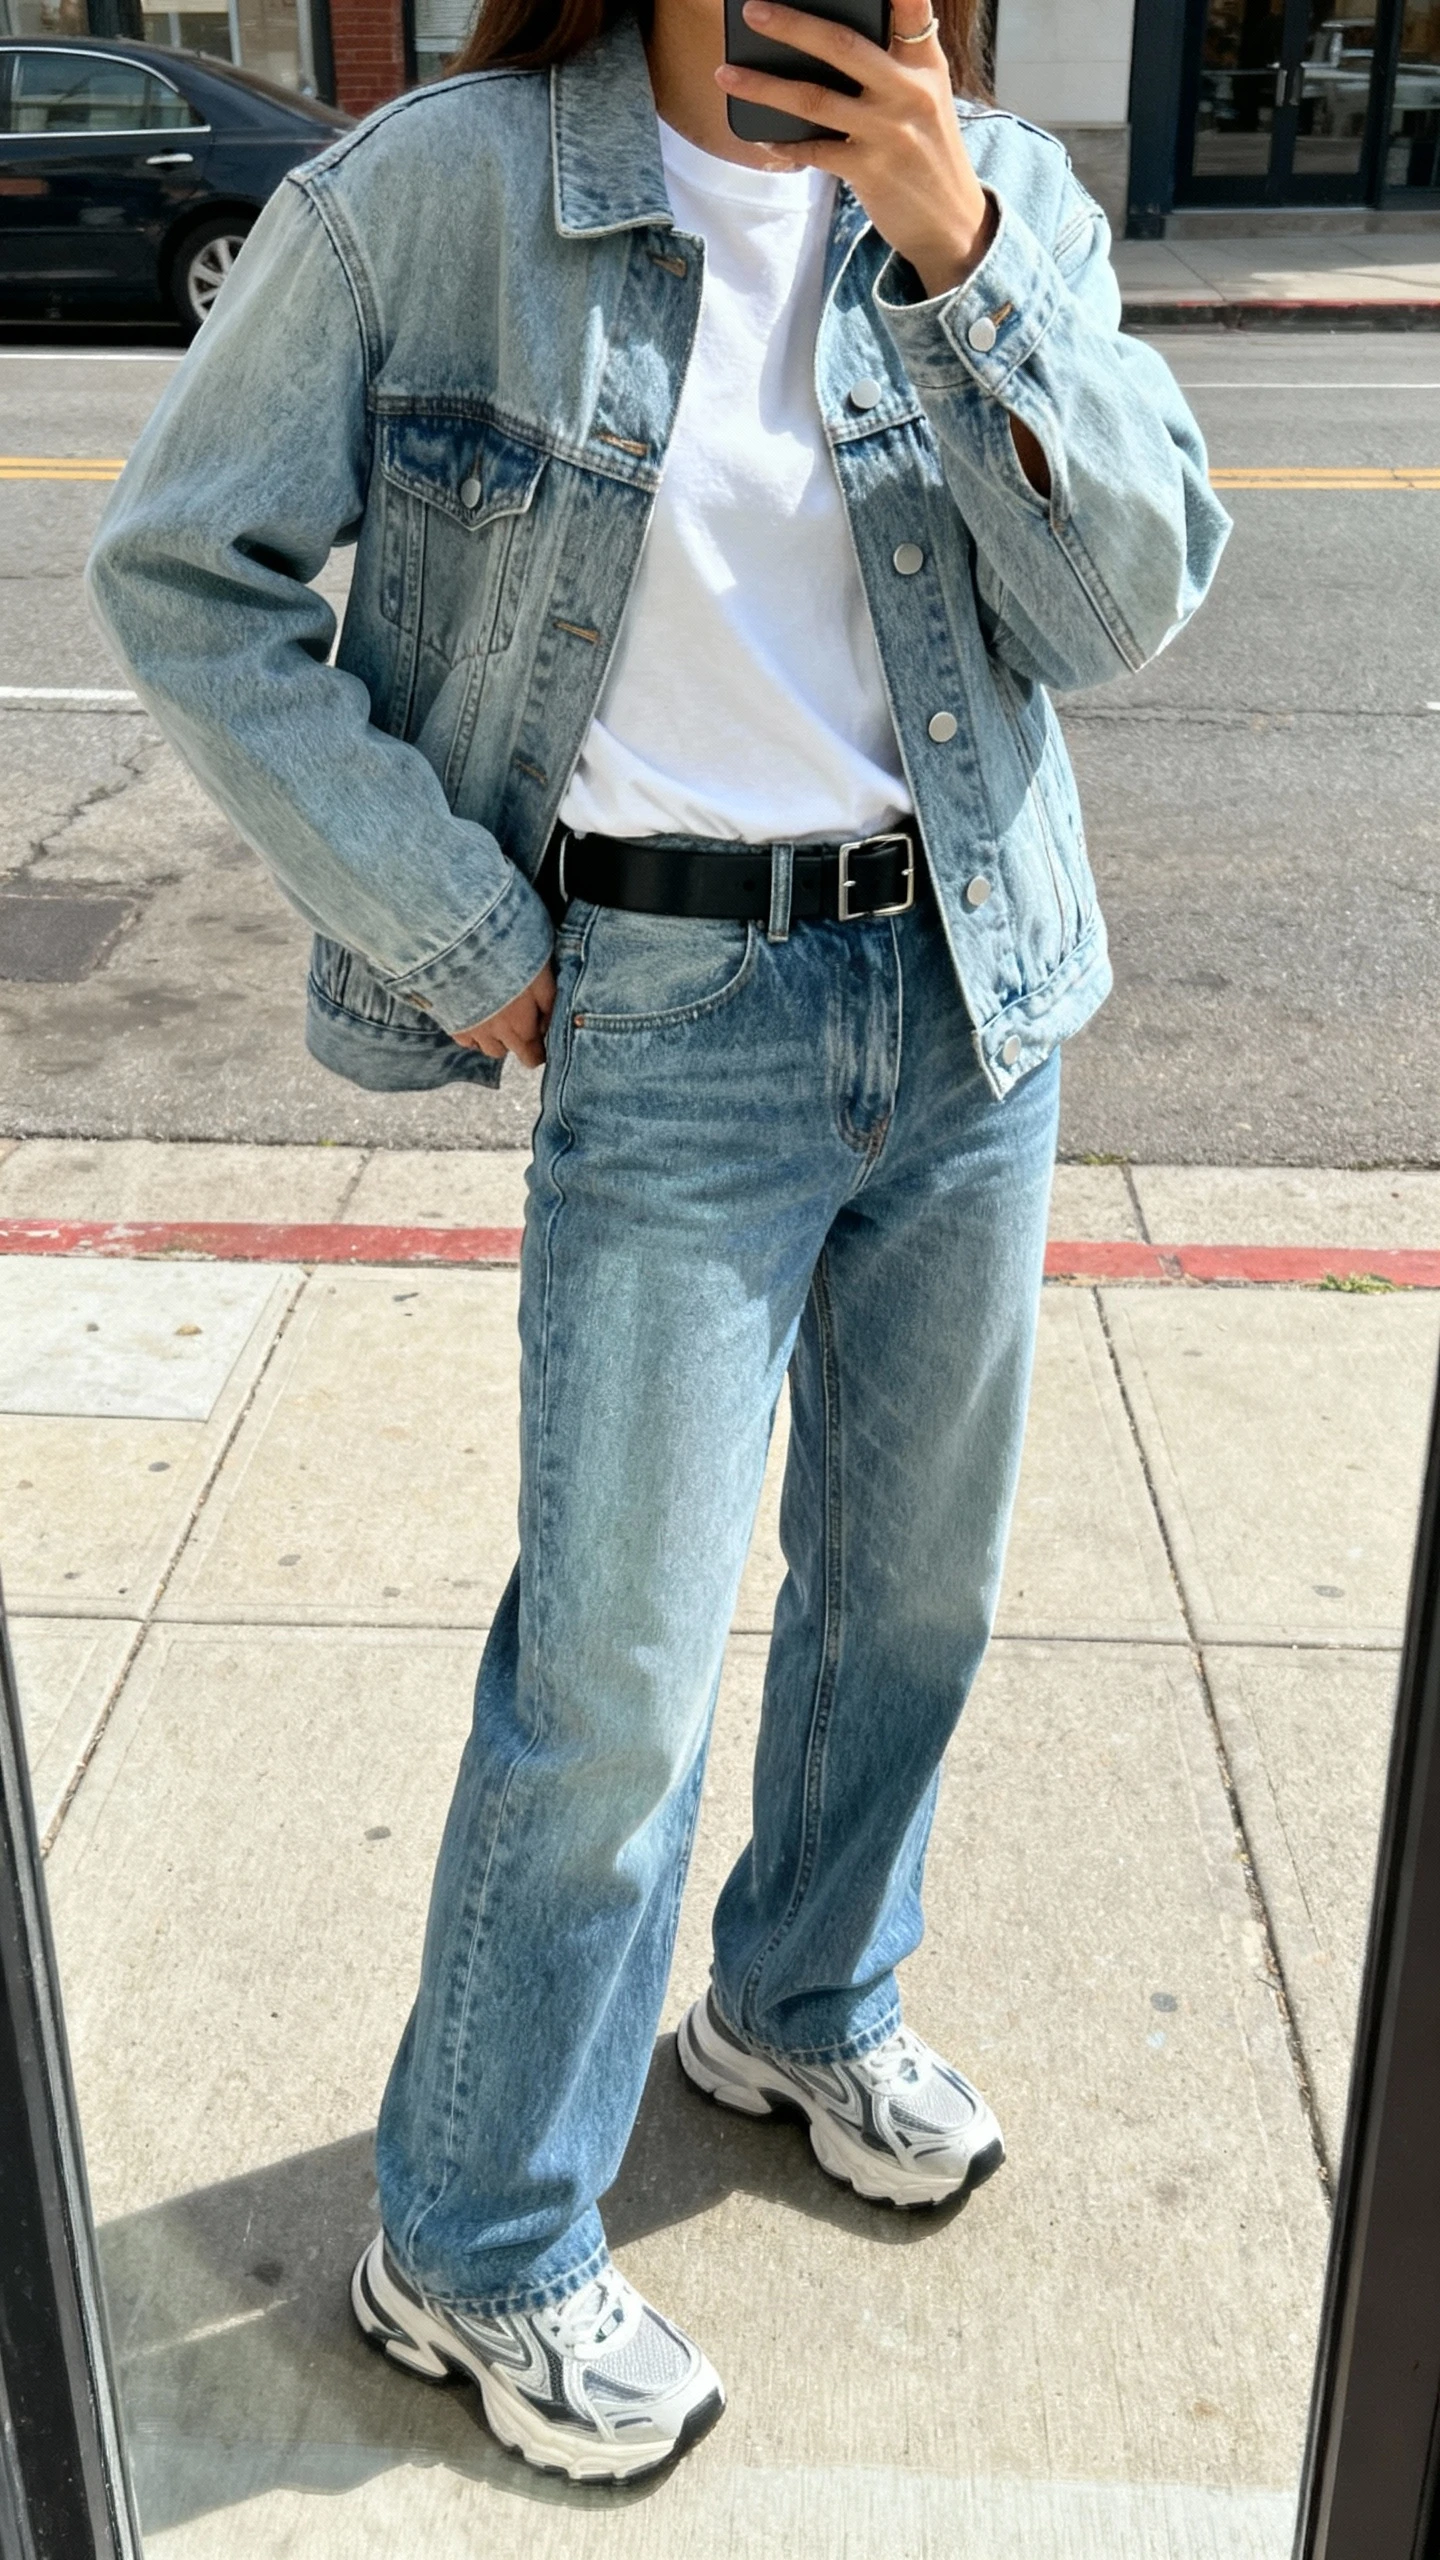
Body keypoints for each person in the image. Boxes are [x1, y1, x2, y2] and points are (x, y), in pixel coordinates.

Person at [88, 0, 1229, 2488]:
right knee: (610, 1679)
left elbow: (1130, 594)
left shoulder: (993, 193)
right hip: (668, 1023)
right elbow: (182, 568)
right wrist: (455, 921)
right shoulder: (447, 193)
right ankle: (473, 2238)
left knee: (910, 1590)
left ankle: (804, 1994)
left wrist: (958, 258)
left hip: (972, 990)